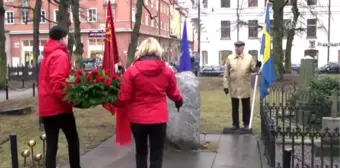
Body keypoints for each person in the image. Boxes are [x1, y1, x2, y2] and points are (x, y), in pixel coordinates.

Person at [115, 37, 183, 168]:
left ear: (141, 51)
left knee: (141, 152)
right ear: (158, 50)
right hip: (159, 118)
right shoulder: (167, 71)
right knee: (157, 154)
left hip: (137, 119)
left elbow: (125, 97)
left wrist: (113, 100)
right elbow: (173, 92)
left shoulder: (131, 71)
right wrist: (179, 100)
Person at [38, 26, 81, 168]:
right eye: (67, 36)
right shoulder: (59, 55)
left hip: (46, 107)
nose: (68, 39)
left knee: (51, 145)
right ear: (62, 38)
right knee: (72, 139)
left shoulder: (48, 54)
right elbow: (58, 84)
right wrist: (72, 99)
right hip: (59, 108)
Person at [223, 41, 261, 130]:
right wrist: (225, 86)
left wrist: (257, 66)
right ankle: (235, 124)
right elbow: (226, 74)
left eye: (239, 46)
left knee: (246, 106)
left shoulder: (249, 58)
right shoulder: (230, 58)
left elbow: (254, 70)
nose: (237, 48)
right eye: (236, 46)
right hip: (234, 86)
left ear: (243, 47)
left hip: (245, 86)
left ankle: (246, 123)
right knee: (234, 106)